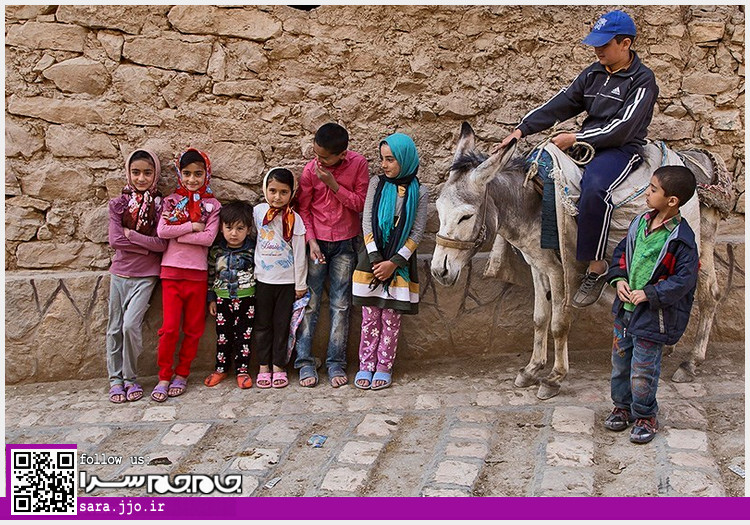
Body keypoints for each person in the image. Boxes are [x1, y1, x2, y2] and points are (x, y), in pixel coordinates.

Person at [496, 9, 659, 308]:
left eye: (604, 44)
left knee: (594, 188)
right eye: (596, 44)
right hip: (585, 143)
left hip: (620, 148)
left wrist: (577, 139)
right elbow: (562, 102)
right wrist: (521, 130)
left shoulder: (643, 79)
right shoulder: (593, 73)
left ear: (625, 44)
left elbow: (623, 127)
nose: (597, 50)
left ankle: (596, 266)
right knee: (535, 172)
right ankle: (547, 251)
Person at [604, 166, 699, 443]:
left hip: (653, 318)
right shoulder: (639, 224)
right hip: (625, 313)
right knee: (621, 365)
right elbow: (622, 253)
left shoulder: (682, 240)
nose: (646, 192)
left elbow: (683, 280)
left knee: (643, 370)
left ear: (672, 201)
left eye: (653, 189)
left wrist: (650, 294)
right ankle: (622, 407)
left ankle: (645, 414)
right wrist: (619, 279)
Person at [352, 133, 429, 390]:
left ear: (405, 160)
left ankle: (384, 366)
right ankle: (366, 365)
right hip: (372, 261)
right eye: (382, 159)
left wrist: (393, 263)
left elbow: (417, 232)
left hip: (399, 264)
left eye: (390, 160)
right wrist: (376, 259)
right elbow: (367, 222)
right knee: (369, 318)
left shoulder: (421, 192)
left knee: (391, 319)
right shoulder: (377, 184)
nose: (384, 165)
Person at [295, 123, 370, 388]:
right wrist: (311, 241)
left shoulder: (358, 165)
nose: (319, 161)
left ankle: (336, 362)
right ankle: (304, 362)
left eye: (325, 157)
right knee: (310, 303)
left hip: (345, 244)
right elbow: (303, 209)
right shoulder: (309, 171)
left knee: (340, 304)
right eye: (316, 154)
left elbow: (361, 203)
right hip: (317, 243)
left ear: (342, 154)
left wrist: (333, 185)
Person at [151, 148, 221, 402]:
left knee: (193, 329)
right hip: (171, 273)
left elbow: (208, 238)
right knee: (169, 329)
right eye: (187, 173)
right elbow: (162, 231)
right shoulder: (171, 202)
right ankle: (164, 376)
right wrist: (191, 226)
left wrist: (178, 234)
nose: (192, 179)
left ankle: (182, 373)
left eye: (198, 174)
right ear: (179, 174)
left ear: (206, 174)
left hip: (197, 275)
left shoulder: (212, 206)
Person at [106, 149, 168, 403]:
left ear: (155, 175)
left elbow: (162, 243)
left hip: (146, 275)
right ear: (128, 173)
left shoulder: (161, 206)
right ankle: (115, 380)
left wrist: (132, 236)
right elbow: (115, 240)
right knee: (114, 329)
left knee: (130, 326)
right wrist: (145, 246)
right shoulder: (118, 205)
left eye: (147, 173)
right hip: (120, 273)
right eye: (136, 172)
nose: (141, 178)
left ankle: (130, 378)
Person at [252, 168, 308, 388]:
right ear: (265, 189)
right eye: (273, 191)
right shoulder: (258, 212)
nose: (277, 197)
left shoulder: (295, 219)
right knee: (262, 325)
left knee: (282, 325)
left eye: (283, 192)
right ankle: (263, 366)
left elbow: (300, 254)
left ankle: (278, 366)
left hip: (286, 283)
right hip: (263, 280)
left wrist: (300, 284)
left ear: (292, 193)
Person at [203, 201, 256, 390]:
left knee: (244, 336)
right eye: (229, 228)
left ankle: (242, 370)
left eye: (240, 228)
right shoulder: (216, 251)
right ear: (221, 228)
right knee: (223, 336)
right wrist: (211, 298)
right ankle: (221, 368)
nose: (234, 233)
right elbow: (211, 275)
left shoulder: (253, 250)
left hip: (247, 299)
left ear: (248, 230)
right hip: (222, 299)